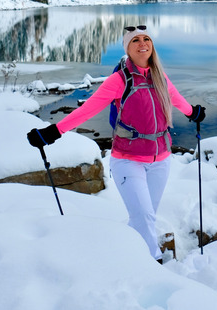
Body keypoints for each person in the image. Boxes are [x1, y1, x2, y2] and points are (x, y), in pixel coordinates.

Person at [27, 25, 206, 263]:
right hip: (127, 160)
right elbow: (88, 109)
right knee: (143, 215)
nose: (143, 43)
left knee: (145, 215)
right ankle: (151, 263)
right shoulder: (119, 80)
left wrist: (193, 112)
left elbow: (176, 99)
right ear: (128, 49)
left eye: (146, 39)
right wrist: (54, 131)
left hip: (161, 160)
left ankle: (127, 252)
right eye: (135, 41)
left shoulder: (159, 76)